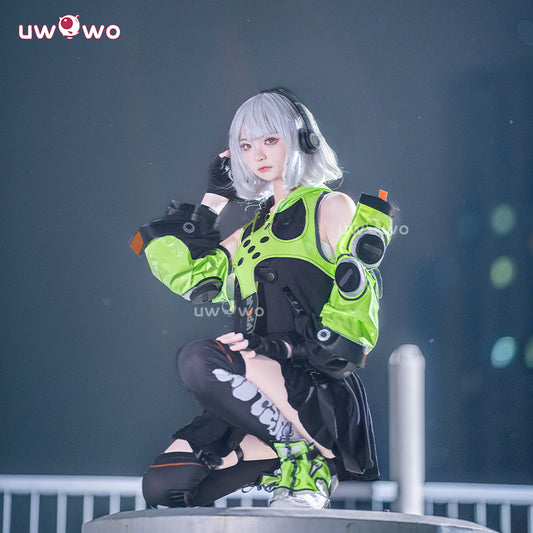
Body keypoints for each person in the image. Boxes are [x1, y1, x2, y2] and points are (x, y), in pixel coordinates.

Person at [130, 88, 397, 509]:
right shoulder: (252, 230)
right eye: (245, 146)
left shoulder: (331, 207)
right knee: (164, 487)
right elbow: (191, 278)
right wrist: (213, 200)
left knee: (198, 359)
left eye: (270, 139)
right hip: (253, 393)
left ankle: (308, 465)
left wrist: (287, 348)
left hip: (309, 384)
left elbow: (356, 305)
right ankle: (292, 453)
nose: (258, 155)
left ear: (302, 139)